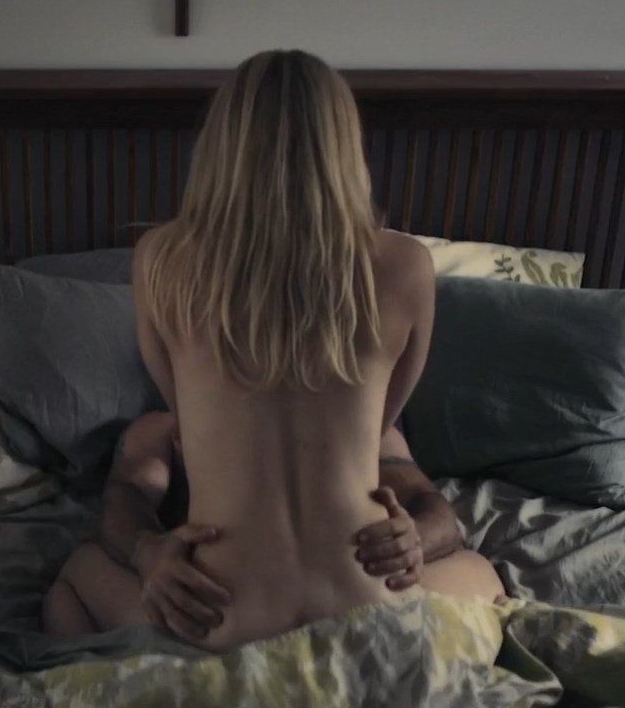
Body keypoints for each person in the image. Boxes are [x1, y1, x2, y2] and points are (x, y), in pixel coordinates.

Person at [41, 50, 504, 652]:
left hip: (219, 617)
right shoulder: (406, 264)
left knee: (72, 582)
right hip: (367, 604)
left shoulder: (161, 258)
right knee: (485, 576)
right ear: (344, 144)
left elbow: (182, 412)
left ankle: (141, 678)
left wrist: (150, 550)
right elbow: (377, 427)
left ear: (222, 144)